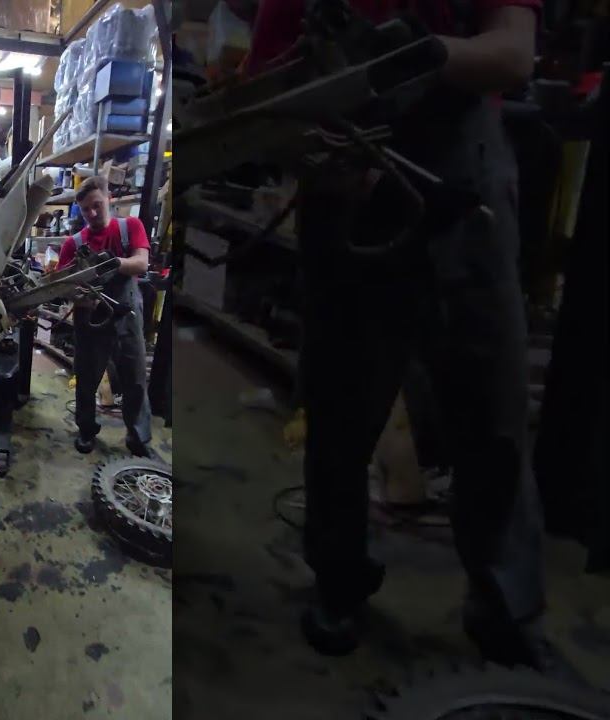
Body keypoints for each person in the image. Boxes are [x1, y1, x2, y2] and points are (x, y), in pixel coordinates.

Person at [248, 0, 561, 671]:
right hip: (347, 190)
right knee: (340, 411)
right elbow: (263, 98)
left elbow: (513, 53)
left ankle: (504, 605)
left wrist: (418, 55)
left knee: (493, 411)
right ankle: (339, 580)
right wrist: (316, 154)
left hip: (462, 184)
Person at [54, 176, 155, 458]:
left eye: (97, 205)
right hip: (90, 320)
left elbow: (141, 263)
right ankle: (86, 430)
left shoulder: (129, 227)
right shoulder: (73, 243)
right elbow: (62, 286)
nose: (92, 213)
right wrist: (79, 296)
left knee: (135, 379)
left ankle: (138, 438)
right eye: (86, 209)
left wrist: (114, 262)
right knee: (86, 380)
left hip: (126, 316)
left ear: (108, 199)